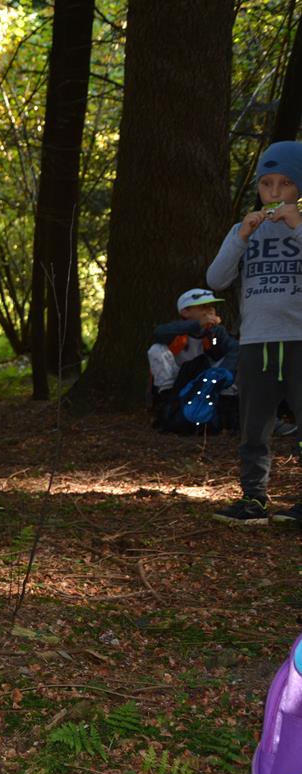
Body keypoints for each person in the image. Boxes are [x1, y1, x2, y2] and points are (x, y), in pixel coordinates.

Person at [206, 141, 302, 526]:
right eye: (266, 184)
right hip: (256, 341)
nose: (274, 192)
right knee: (254, 426)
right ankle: (253, 499)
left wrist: (296, 225)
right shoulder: (243, 231)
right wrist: (241, 236)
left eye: (285, 184)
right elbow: (216, 279)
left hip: (298, 340)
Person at [147, 288, 238, 434]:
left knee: (238, 361)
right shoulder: (175, 330)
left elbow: (234, 349)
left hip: (207, 379)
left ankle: (225, 416)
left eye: (211, 306)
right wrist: (197, 324)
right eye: (203, 307)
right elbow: (159, 332)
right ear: (185, 312)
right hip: (177, 381)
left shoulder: (217, 332)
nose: (209, 310)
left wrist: (221, 373)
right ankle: (168, 405)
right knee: (156, 349)